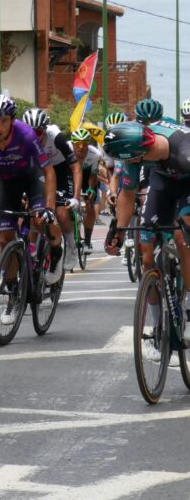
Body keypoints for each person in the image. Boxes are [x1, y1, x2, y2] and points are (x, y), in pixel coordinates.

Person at [0, 95, 62, 325]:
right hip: (6, 183)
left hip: (33, 178)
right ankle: (12, 295)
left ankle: (57, 251)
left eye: (3, 121)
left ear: (12, 120)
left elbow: (48, 171)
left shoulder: (26, 135)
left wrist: (49, 207)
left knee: (41, 221)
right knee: (5, 238)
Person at [104, 121, 190, 339]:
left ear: (143, 150)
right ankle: (159, 325)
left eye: (135, 159)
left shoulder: (183, 150)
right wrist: (119, 232)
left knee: (182, 236)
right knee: (147, 255)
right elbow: (127, 193)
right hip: (163, 183)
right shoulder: (135, 153)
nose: (133, 163)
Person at [21, 108, 81, 271]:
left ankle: (71, 246)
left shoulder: (57, 137)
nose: (35, 137)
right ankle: (32, 250)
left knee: (61, 212)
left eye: (38, 132)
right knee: (32, 211)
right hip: (39, 170)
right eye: (30, 133)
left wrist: (76, 197)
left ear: (45, 129)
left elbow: (75, 167)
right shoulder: (20, 140)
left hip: (61, 170)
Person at [70, 128, 102, 251]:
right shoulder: (65, 149)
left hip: (87, 177)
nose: (81, 147)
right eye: (78, 144)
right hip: (71, 176)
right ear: (72, 144)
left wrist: (91, 190)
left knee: (89, 205)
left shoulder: (95, 155)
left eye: (84, 144)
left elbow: (93, 176)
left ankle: (87, 241)